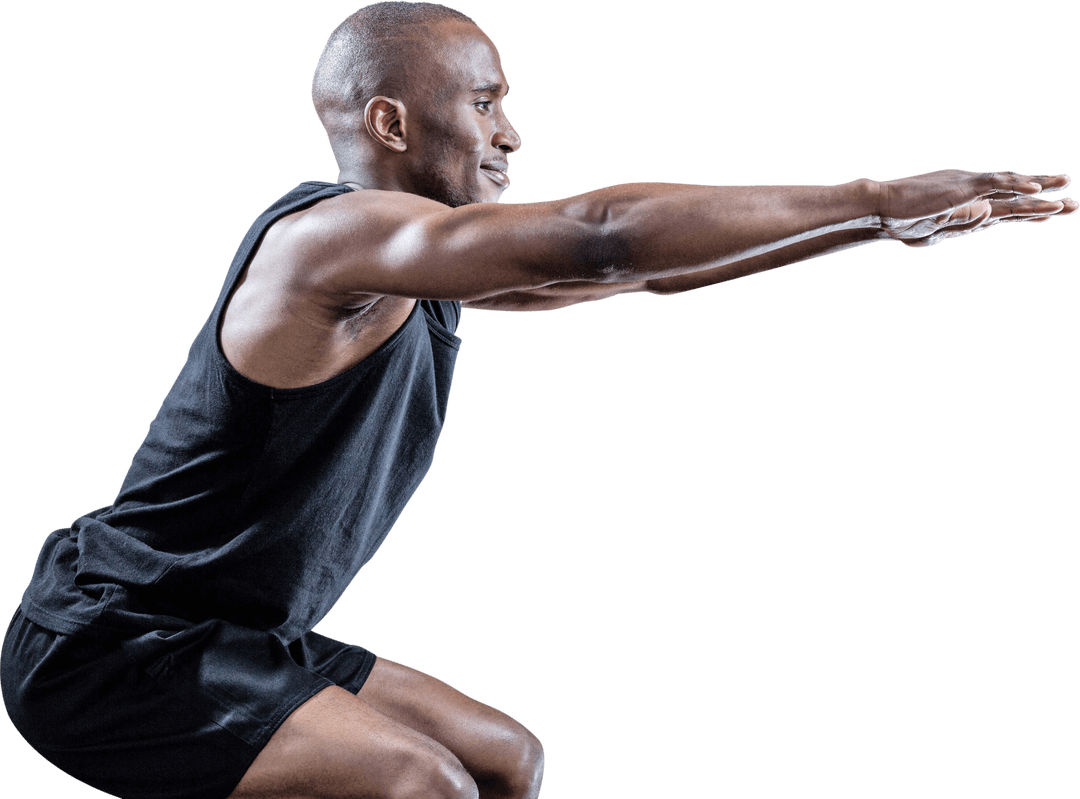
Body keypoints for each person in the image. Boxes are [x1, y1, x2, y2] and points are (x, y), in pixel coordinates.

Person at [2, 3, 1075, 799]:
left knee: (503, 760)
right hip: (113, 647)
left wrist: (872, 229)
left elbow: (643, 265)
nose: (510, 132)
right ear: (388, 119)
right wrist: (875, 194)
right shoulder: (337, 241)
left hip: (230, 630)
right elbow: (601, 236)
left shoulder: (418, 264)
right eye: (484, 103)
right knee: (416, 785)